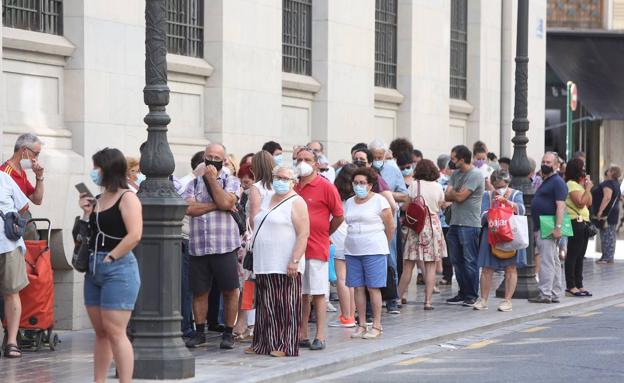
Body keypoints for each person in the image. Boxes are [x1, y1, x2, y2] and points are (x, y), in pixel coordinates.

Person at [78, 148, 142, 383]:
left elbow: (134, 234)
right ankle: (99, 380)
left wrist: (112, 256)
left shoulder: (128, 198)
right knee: (101, 332)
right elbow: (85, 234)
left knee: (116, 331)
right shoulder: (98, 199)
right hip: (94, 269)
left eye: (97, 167)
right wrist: (86, 214)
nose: (94, 172)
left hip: (119, 268)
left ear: (108, 169)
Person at [182, 143, 241, 350]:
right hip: (199, 246)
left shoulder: (231, 181)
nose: (212, 160)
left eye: (217, 157)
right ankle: (200, 332)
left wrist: (211, 180)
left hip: (224, 246)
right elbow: (189, 208)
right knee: (199, 291)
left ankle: (228, 332)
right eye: (209, 156)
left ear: (223, 160)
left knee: (230, 290)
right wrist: (218, 204)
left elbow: (228, 202)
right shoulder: (192, 184)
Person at [246, 164, 309, 357]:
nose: (280, 181)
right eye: (278, 177)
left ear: (293, 182)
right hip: (264, 261)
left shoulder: (297, 202)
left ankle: (284, 344)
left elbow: (303, 233)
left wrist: (295, 260)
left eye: (285, 179)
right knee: (265, 305)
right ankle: (262, 343)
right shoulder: (267, 198)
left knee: (285, 305)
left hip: (285, 262)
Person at [295, 147, 344, 351]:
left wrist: (325, 233)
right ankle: (302, 333)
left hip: (317, 247)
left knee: (318, 293)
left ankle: (321, 336)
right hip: (297, 248)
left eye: (307, 159)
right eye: (299, 159)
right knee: (302, 294)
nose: (303, 163)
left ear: (316, 163)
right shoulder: (293, 186)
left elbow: (339, 215)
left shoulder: (325, 186)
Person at [344, 167, 395, 339]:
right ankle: (362, 324)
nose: (358, 186)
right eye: (356, 183)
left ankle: (377, 325)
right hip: (352, 249)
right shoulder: (349, 202)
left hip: (374, 249)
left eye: (362, 183)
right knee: (357, 287)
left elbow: (390, 225)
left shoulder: (380, 201)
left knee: (373, 287)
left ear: (370, 185)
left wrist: (382, 243)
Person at [473, 170, 526, 312]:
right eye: (496, 186)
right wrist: (492, 213)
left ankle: (507, 300)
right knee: (486, 268)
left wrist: (508, 203)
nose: (499, 189)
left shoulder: (516, 194)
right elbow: (482, 215)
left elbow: (521, 210)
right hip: (491, 233)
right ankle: (483, 299)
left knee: (511, 268)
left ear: (507, 182)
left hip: (511, 234)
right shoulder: (487, 195)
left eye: (502, 185)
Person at [399, 160, 448, 310]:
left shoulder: (415, 185)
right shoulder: (438, 187)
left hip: (417, 227)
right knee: (431, 266)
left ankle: (399, 297)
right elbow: (441, 205)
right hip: (434, 226)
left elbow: (406, 206)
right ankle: (428, 301)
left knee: (408, 265)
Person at [369, 139, 408, 315]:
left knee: (390, 258)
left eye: (380, 156)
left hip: (388, 220)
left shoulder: (393, 170)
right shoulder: (366, 171)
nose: (378, 159)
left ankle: (393, 298)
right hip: (369, 221)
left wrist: (385, 194)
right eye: (374, 156)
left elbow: (404, 195)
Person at [444, 145, 484, 307]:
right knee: (456, 261)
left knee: (469, 260)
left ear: (462, 159)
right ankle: (462, 292)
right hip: (454, 222)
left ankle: (472, 294)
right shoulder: (456, 174)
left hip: (469, 224)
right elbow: (447, 194)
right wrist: (455, 194)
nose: (451, 162)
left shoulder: (475, 175)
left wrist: (455, 194)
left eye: (454, 158)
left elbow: (459, 197)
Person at [175, 151, 205, 338]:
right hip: (186, 239)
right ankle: (185, 326)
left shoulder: (187, 182)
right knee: (186, 287)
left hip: (190, 240)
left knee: (189, 286)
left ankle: (187, 324)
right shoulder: (188, 184)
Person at [530, 152, 567, 304]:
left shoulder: (557, 182)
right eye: (543, 161)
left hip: (548, 225)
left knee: (547, 261)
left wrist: (558, 227)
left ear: (556, 165)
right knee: (553, 260)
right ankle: (554, 292)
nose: (545, 164)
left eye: (549, 162)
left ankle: (545, 293)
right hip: (545, 224)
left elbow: (560, 206)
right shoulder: (548, 181)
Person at [0, 172, 30, 358]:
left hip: (7, 243)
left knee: (11, 292)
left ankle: (12, 341)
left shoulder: (4, 178)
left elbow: (24, 205)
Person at [329, 164, 358, 328]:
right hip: (354, 238)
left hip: (338, 237)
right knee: (352, 280)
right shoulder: (359, 198)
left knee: (342, 278)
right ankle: (352, 315)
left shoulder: (336, 195)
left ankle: (346, 316)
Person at [1, 133, 45, 239]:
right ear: (24, 150)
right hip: (14, 228)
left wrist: (39, 177)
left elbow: (37, 199)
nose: (36, 159)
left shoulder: (21, 172)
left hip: (26, 226)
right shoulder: (4, 173)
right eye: (36, 154)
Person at [564, 158, 593, 297]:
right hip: (575, 221)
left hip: (584, 222)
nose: (584, 170)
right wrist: (586, 189)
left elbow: (589, 202)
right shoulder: (570, 184)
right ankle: (571, 286)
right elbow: (581, 203)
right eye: (582, 167)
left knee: (580, 256)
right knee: (573, 255)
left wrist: (586, 188)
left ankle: (579, 284)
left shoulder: (579, 185)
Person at [595, 165, 622, 264]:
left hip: (607, 213)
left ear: (612, 173)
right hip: (614, 212)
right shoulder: (616, 184)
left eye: (609, 170)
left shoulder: (608, 183)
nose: (607, 171)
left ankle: (606, 257)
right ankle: (608, 256)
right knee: (610, 234)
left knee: (606, 234)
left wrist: (600, 211)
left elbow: (607, 197)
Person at [437, 154, 454, 286]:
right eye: (450, 168)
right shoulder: (439, 182)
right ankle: (447, 275)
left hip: (454, 220)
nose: (451, 170)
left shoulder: (459, 182)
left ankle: (451, 274)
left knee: (452, 249)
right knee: (445, 249)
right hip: (441, 221)